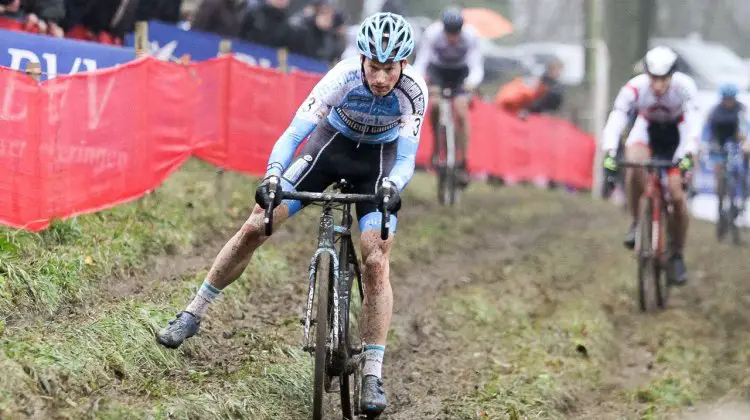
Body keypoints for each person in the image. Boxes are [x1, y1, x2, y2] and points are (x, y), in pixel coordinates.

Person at [156, 11, 427, 416]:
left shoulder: (414, 91)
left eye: (389, 69)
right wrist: (272, 176)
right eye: (374, 67)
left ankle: (372, 373)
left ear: (403, 65)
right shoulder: (341, 77)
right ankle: (193, 313)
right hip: (329, 149)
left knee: (375, 259)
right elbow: (294, 134)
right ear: (362, 60)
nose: (381, 78)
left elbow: (405, 157)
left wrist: (393, 186)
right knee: (256, 224)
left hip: (379, 165)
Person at [601, 46, 698, 285]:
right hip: (648, 132)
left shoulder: (684, 88)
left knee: (676, 195)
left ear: (672, 75)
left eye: (663, 78)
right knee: (633, 165)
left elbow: (693, 124)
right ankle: (637, 222)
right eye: (654, 78)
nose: (658, 84)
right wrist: (610, 151)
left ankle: (676, 254)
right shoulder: (635, 88)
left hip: (677, 134)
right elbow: (618, 117)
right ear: (647, 75)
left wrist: (688, 154)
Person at [413, 5, 484, 186]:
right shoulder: (433, 33)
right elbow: (422, 61)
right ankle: (437, 146)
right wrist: (422, 82)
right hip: (438, 72)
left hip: (460, 73)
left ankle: (463, 160)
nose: (452, 37)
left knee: (461, 110)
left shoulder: (470, 36)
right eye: (449, 32)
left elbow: (476, 65)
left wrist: (471, 84)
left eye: (456, 32)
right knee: (435, 104)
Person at [704, 83, 749, 217]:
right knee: (719, 171)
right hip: (718, 143)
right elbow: (707, 131)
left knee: (746, 154)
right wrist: (707, 144)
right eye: (726, 98)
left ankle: (744, 190)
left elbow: (746, 127)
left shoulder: (741, 110)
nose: (729, 102)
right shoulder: (714, 112)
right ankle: (720, 201)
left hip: (736, 141)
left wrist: (746, 142)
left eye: (731, 98)